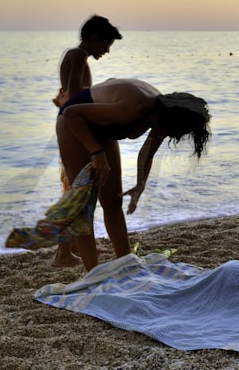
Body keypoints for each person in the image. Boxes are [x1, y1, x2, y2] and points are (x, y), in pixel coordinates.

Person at [55, 78, 210, 270]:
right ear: (173, 120)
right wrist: (96, 152)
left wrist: (139, 186)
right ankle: (92, 274)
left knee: (113, 201)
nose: (175, 136)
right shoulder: (136, 106)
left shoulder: (163, 115)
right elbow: (72, 113)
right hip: (74, 122)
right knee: (84, 207)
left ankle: (126, 264)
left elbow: (147, 154)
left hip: (103, 129)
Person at [51, 15, 122, 267]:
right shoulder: (78, 55)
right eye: (106, 44)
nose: (107, 50)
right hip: (76, 123)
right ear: (93, 38)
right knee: (77, 192)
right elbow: (73, 93)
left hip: (72, 121)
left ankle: (64, 252)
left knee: (72, 187)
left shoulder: (74, 55)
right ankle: (65, 254)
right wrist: (104, 91)